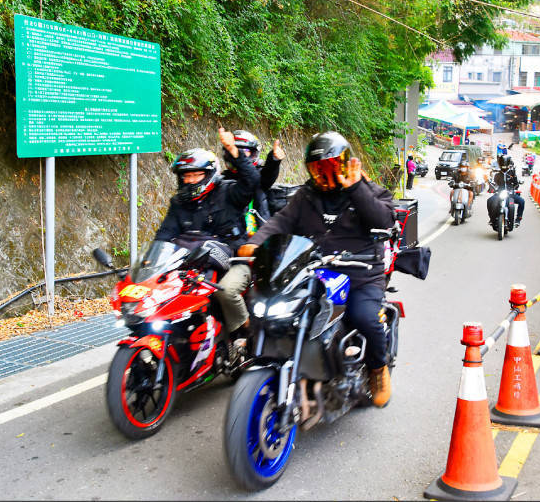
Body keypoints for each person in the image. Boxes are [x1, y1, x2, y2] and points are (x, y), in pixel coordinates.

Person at [238, 131, 397, 407]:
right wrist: (256, 242)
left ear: (346, 164)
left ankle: (377, 369)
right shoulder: (306, 195)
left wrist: (355, 188)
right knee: (272, 308)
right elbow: (281, 222)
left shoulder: (366, 190)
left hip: (359, 273)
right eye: (317, 169)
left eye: (331, 166)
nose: (324, 174)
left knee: (365, 317)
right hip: (313, 270)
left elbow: (383, 219)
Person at [154, 128, 260, 337]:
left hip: (235, 259)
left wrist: (233, 150)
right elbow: (165, 235)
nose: (192, 180)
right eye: (187, 176)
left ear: (209, 174)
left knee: (227, 291)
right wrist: (152, 264)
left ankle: (247, 335)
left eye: (197, 174)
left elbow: (252, 181)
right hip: (191, 264)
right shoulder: (179, 203)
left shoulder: (229, 192)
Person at [220, 130, 285, 233]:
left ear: (253, 153)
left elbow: (266, 177)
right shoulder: (223, 180)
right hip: (232, 235)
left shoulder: (257, 176)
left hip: (259, 234)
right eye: (237, 150)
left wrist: (274, 160)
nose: (241, 154)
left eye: (245, 151)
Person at [487, 154, 525, 227]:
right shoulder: (497, 174)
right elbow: (494, 184)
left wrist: (515, 187)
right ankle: (491, 218)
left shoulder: (512, 173)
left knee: (522, 201)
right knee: (489, 201)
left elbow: (516, 184)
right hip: (499, 194)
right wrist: (492, 188)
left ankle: (518, 219)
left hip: (510, 193)